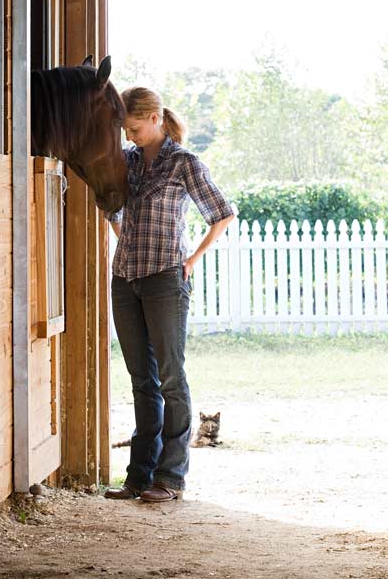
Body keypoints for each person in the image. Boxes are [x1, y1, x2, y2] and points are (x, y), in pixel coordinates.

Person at [103, 87, 235, 503]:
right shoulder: (126, 161)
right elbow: (113, 209)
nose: (129, 135)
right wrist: (125, 238)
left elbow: (222, 212)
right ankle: (138, 477)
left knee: (172, 378)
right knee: (142, 380)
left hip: (165, 279)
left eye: (135, 127)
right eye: (125, 128)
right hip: (124, 278)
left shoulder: (184, 163)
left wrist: (191, 258)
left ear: (156, 118)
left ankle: (170, 478)